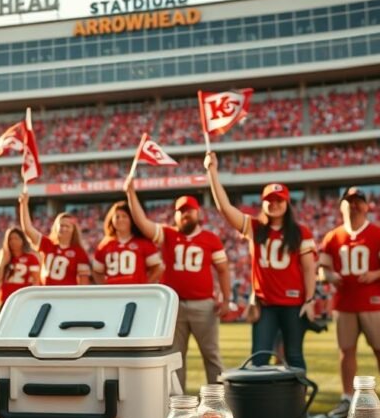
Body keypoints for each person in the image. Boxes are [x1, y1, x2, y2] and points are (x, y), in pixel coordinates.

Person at [206, 154, 316, 372]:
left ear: (287, 203)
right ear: (263, 203)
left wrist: (310, 300)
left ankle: (297, 404)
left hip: (293, 303)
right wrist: (212, 173)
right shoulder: (255, 228)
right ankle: (264, 404)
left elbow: (308, 268)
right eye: (269, 200)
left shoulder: (301, 232)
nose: (274, 204)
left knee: (294, 355)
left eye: (279, 200)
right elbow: (225, 209)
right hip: (265, 305)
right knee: (259, 358)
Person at [125, 172, 232, 387]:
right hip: (174, 307)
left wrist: (226, 298)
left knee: (211, 356)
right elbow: (142, 222)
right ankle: (179, 406)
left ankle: (218, 403)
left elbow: (223, 269)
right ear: (175, 215)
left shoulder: (210, 239)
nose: (185, 215)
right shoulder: (168, 234)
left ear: (197, 213)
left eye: (189, 211)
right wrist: (131, 193)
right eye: (181, 212)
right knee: (175, 358)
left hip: (204, 304)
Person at [319, 186, 380, 418]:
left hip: (372, 301)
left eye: (358, 201)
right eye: (349, 201)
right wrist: (331, 276)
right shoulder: (333, 236)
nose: (354, 205)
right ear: (341, 205)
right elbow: (323, 270)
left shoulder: (379, 234)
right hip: (344, 302)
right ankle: (346, 397)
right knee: (346, 351)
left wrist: (374, 275)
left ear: (367, 206)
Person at [18, 192, 91, 286]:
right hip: (46, 293)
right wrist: (23, 205)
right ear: (55, 227)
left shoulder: (79, 252)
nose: (63, 228)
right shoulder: (48, 244)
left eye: (67, 226)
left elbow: (83, 282)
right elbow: (28, 229)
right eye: (61, 225)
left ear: (74, 230)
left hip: (66, 296)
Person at [92, 201, 163, 285]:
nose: (120, 219)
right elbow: (96, 271)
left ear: (132, 219)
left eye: (124, 216)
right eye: (117, 217)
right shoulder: (104, 244)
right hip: (113, 293)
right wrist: (104, 287)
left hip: (136, 293)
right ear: (111, 220)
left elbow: (158, 268)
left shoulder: (143, 242)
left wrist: (145, 285)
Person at [0, 226, 41, 309]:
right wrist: (3, 261)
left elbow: (36, 281)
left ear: (23, 240)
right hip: (5, 299)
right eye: (10, 239)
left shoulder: (31, 258)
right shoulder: (4, 256)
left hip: (24, 299)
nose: (13, 242)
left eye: (16, 238)